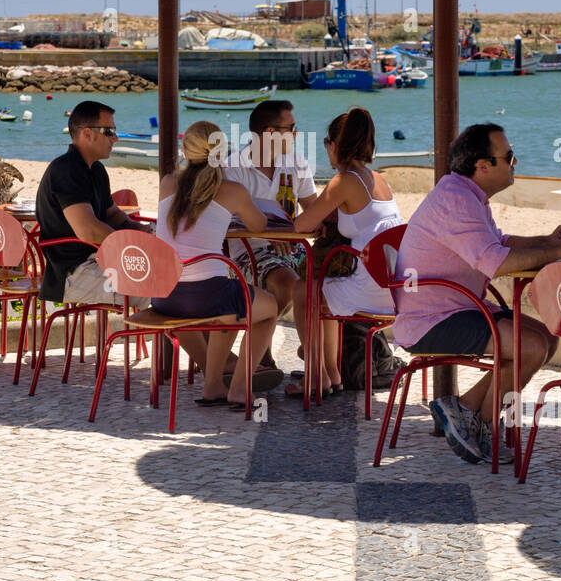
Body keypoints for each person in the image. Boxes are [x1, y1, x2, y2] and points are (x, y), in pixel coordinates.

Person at [393, 123, 561, 464]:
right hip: (430, 320)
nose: (515, 163)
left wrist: (546, 241)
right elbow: (496, 262)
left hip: (456, 307)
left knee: (546, 338)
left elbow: (499, 242)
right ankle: (480, 422)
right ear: (483, 165)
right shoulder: (457, 200)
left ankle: (466, 410)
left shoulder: (466, 194)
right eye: (508, 157)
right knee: (530, 346)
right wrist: (557, 252)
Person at [155, 121, 279, 408]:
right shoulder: (232, 190)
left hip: (164, 296)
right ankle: (239, 389)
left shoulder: (168, 183)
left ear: (185, 150)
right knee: (268, 308)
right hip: (206, 295)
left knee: (230, 305)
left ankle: (212, 386)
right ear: (222, 152)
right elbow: (259, 225)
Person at [288, 107, 404, 397]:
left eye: (327, 142)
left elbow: (302, 225)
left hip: (370, 288)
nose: (326, 149)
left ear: (335, 144)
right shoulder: (378, 179)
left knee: (303, 290)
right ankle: (331, 374)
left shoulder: (345, 180)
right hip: (394, 287)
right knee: (323, 288)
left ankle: (316, 376)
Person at [223, 99, 318, 364]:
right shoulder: (233, 168)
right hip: (248, 251)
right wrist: (268, 234)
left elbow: (313, 209)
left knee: (330, 278)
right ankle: (260, 350)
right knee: (288, 284)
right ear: (270, 133)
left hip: (293, 247)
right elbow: (224, 223)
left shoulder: (297, 162)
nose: (297, 134)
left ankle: (316, 354)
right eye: (292, 128)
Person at [36, 100, 148, 308]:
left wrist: (143, 231)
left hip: (96, 260)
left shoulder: (95, 169)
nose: (115, 138)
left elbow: (112, 215)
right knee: (154, 287)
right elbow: (88, 231)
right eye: (109, 131)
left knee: (166, 278)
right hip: (72, 273)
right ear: (87, 133)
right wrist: (132, 245)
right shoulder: (66, 170)